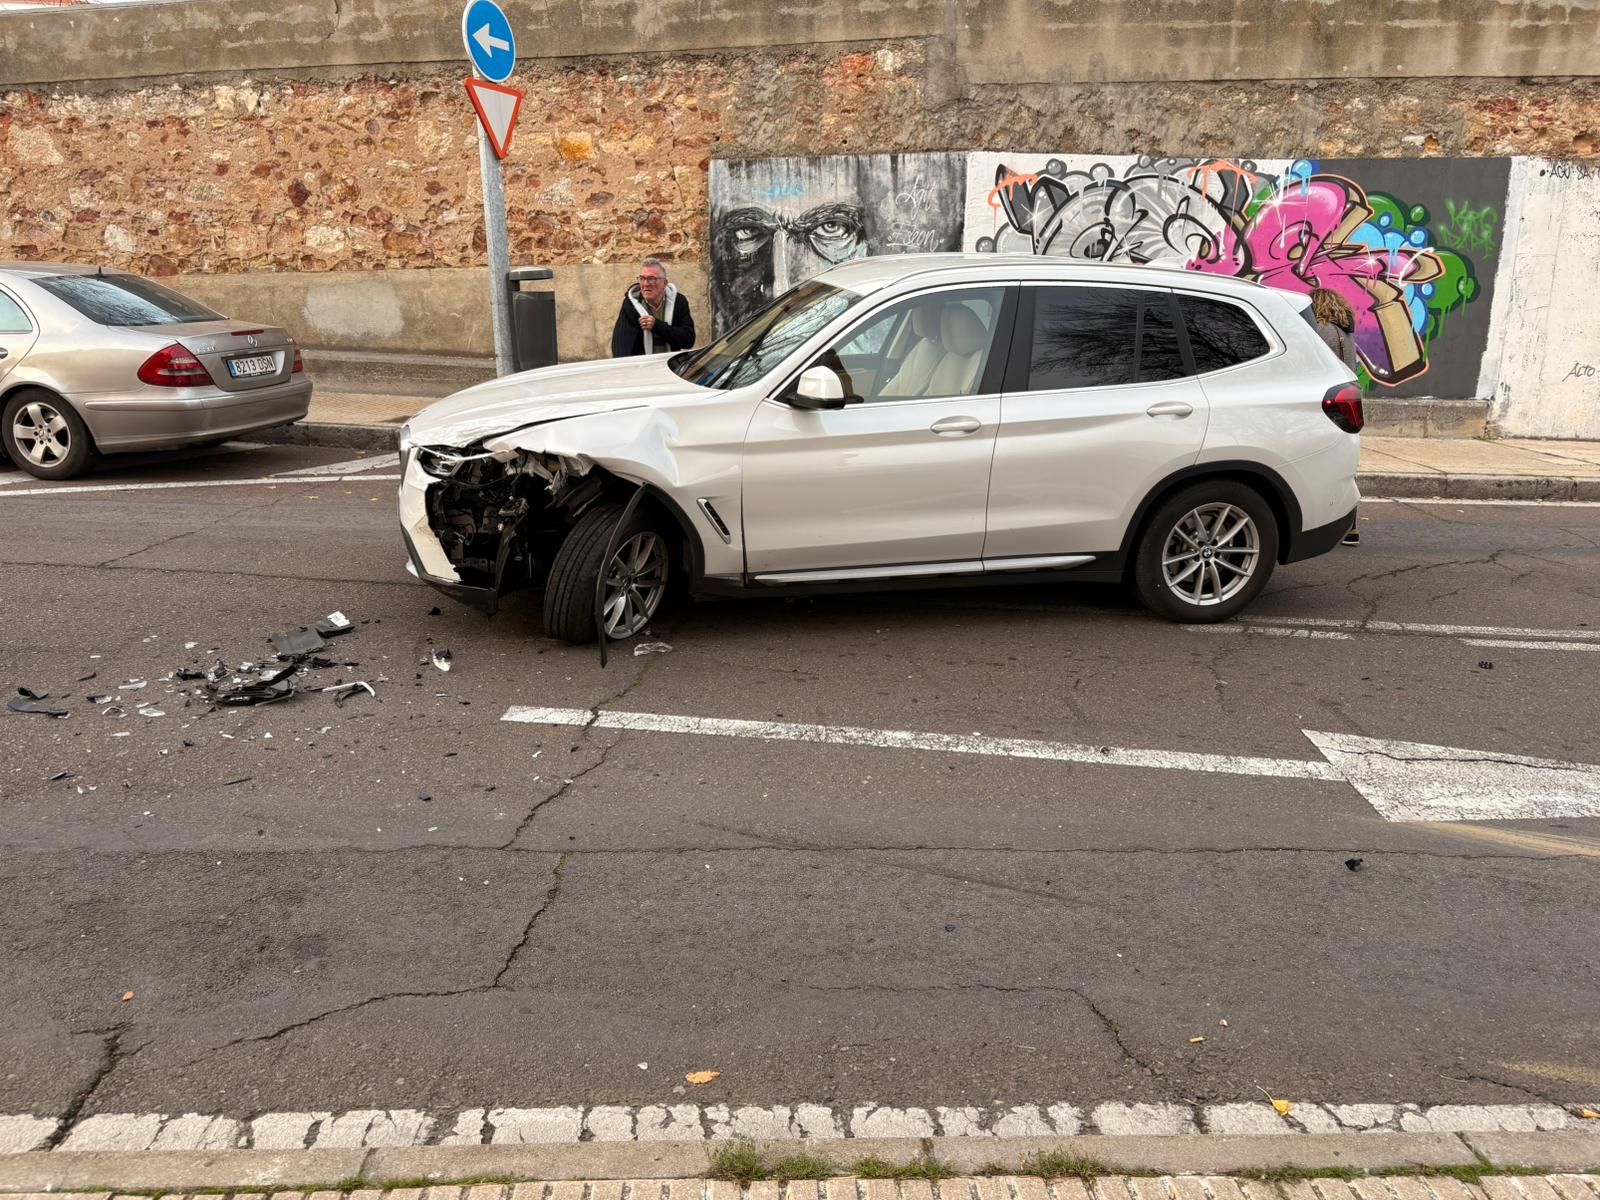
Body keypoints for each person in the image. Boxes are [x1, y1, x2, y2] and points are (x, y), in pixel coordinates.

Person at [1310, 287, 1363, 547]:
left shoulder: (1320, 330)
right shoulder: (1347, 333)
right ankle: (1351, 526)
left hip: (1325, 402)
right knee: (1345, 465)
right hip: (1348, 401)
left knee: (1317, 464)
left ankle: (1318, 524)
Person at [611, 258, 695, 357]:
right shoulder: (631, 305)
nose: (646, 284)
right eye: (642, 278)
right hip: (644, 365)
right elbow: (620, 347)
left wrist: (657, 325)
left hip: (671, 363)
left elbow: (688, 340)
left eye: (652, 279)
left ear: (664, 283)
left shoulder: (678, 301)